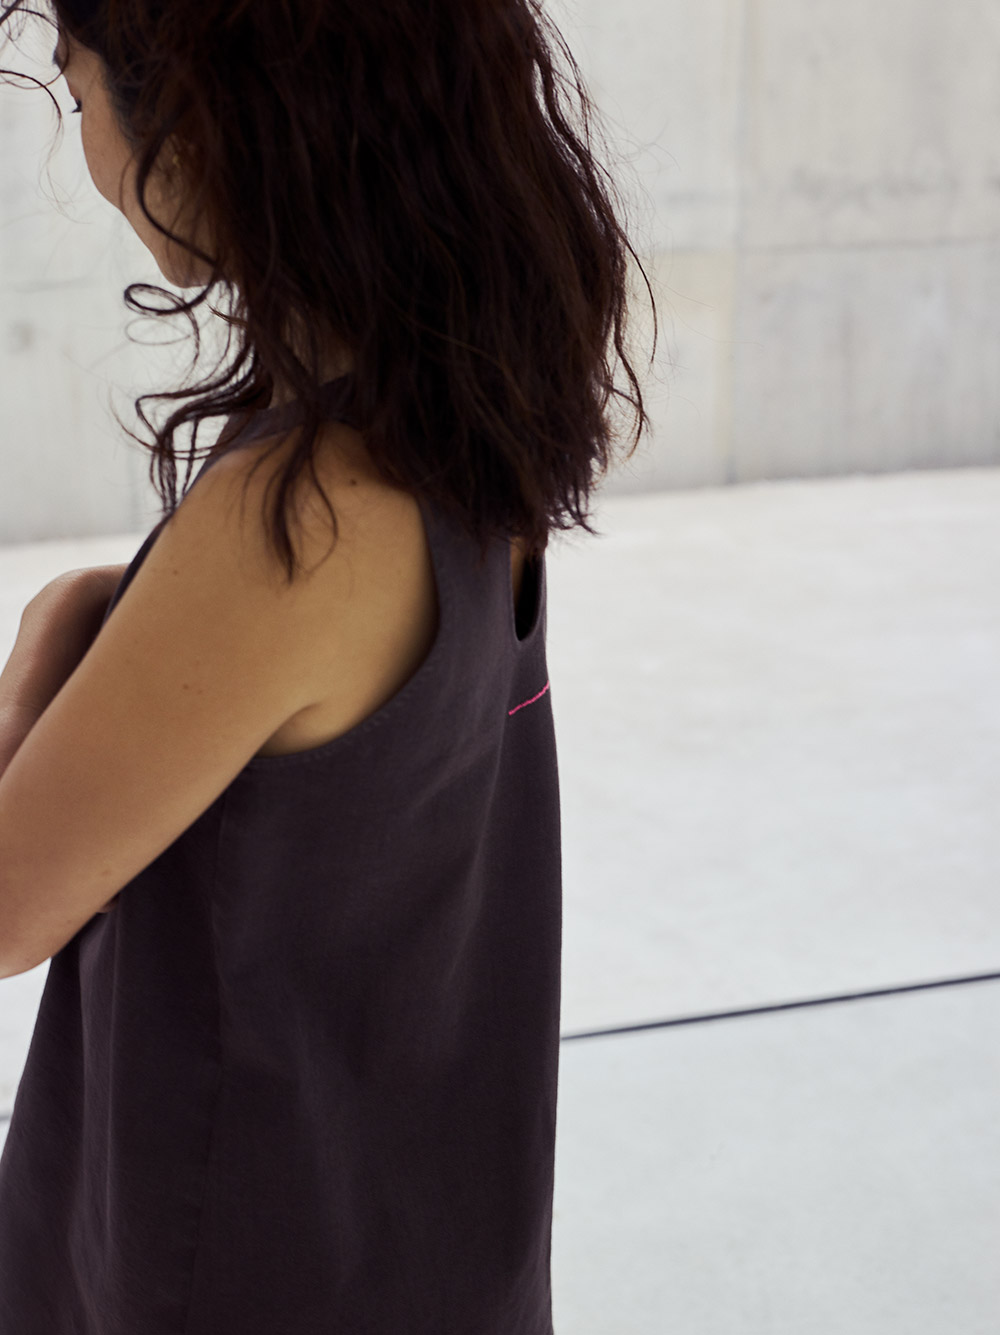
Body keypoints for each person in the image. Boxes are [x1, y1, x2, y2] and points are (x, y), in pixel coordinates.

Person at [0, 2, 657, 1330]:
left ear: (195, 126)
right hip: (419, 1251)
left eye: (77, 97)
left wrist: (43, 649)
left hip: (237, 1270)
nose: (90, 155)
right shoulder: (471, 422)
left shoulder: (292, 519)